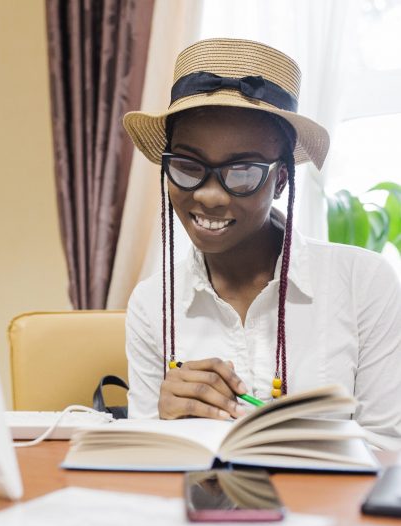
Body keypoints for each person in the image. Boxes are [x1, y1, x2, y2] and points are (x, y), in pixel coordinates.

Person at [122, 38, 401, 449]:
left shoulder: (363, 284)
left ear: (281, 180)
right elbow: (142, 464)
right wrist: (163, 424)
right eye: (187, 166)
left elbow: (389, 451)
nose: (210, 195)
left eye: (242, 171)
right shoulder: (151, 305)